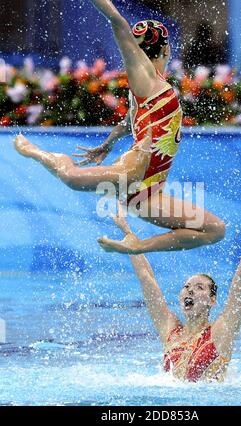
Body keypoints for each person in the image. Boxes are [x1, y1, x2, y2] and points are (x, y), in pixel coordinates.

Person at [13, 0, 225, 254]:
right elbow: (117, 20)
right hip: (131, 176)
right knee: (70, 177)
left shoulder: (153, 88)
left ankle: (135, 247)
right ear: (167, 50)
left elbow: (129, 122)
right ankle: (36, 152)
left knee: (215, 230)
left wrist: (107, 144)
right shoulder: (145, 77)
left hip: (148, 195)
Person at [111, 194, 241, 382]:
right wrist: (127, 232)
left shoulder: (221, 331)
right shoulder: (170, 331)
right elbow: (146, 278)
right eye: (186, 287)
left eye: (199, 287)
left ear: (212, 300)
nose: (190, 291)